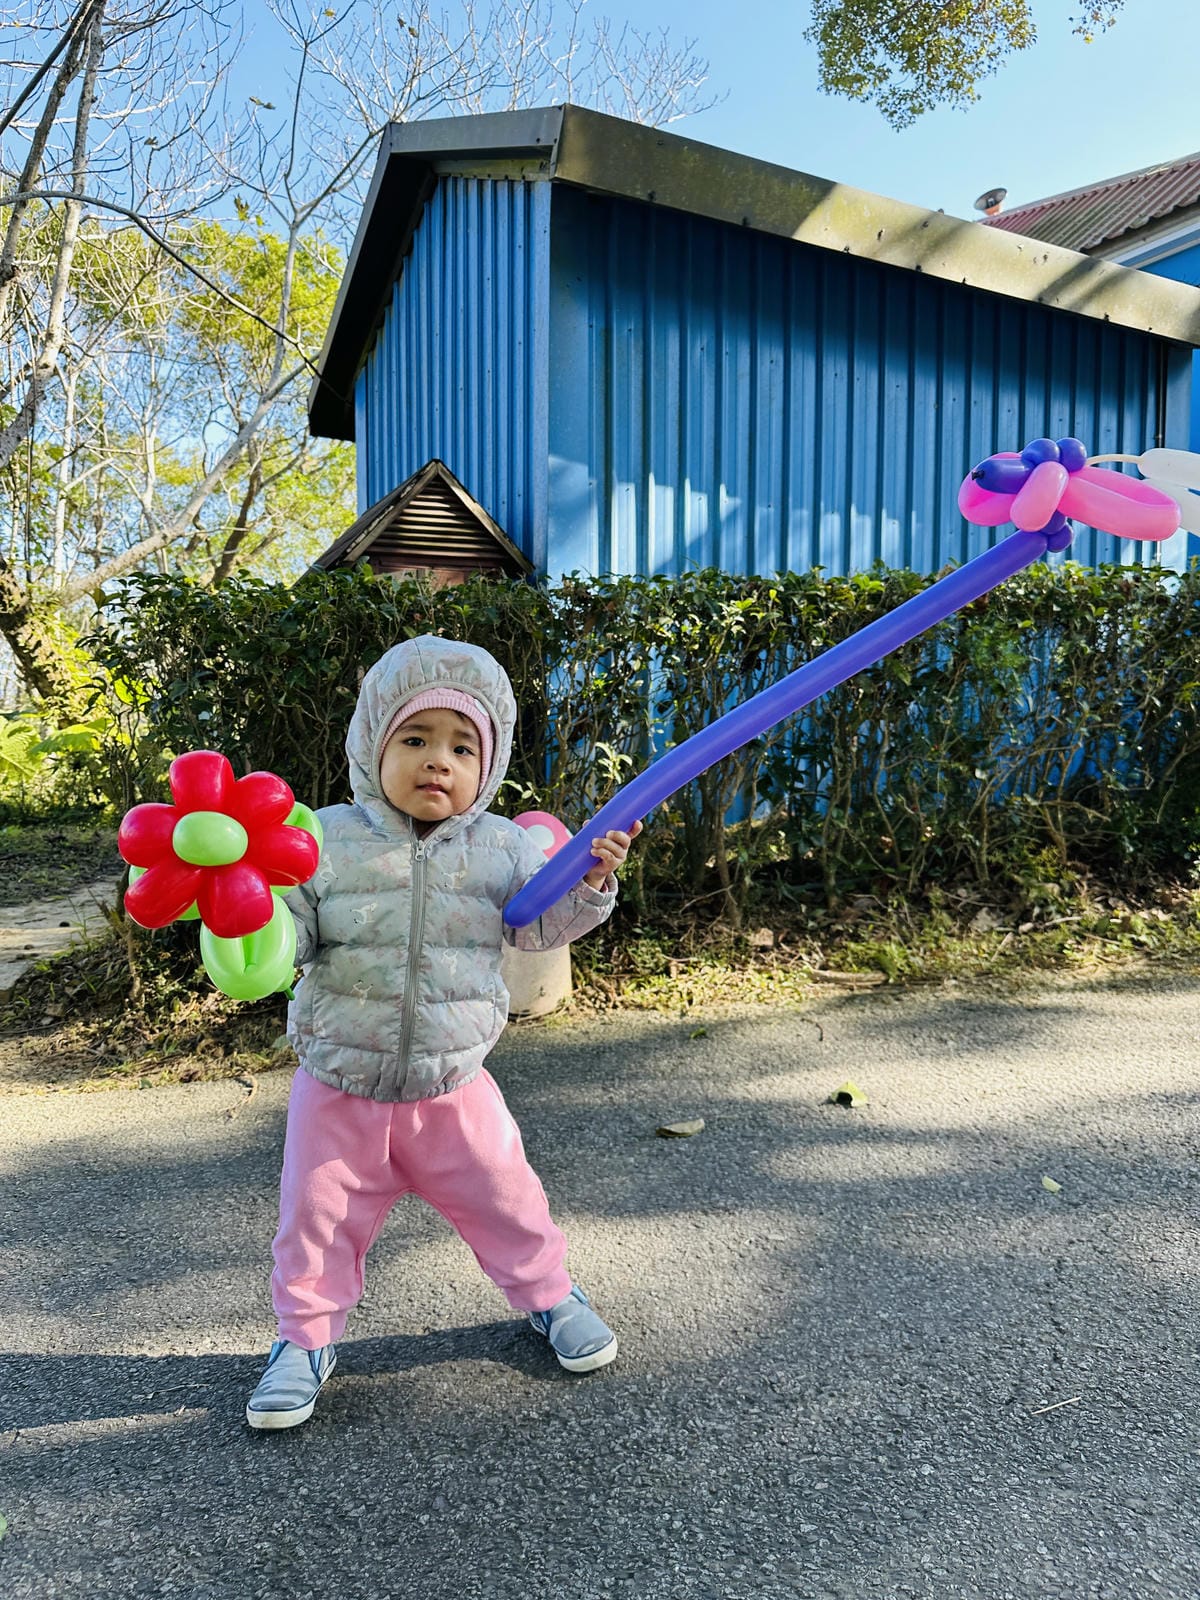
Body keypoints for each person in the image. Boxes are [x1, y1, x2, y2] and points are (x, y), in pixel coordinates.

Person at [246, 634, 640, 1430]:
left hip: (454, 1086)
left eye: (463, 746)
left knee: (508, 1201)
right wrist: (248, 917)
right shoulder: (322, 840)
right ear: (372, 746)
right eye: (416, 740)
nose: (439, 762)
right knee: (314, 1223)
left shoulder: (501, 846)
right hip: (338, 1088)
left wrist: (592, 882)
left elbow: (537, 930)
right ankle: (304, 1339)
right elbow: (292, 937)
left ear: (486, 768)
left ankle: (550, 1296)